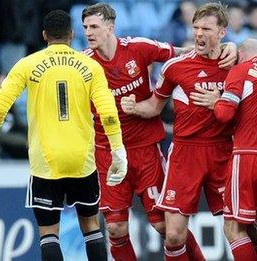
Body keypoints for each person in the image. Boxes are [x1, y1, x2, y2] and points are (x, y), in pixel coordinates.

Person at [81, 2, 236, 260]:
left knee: (165, 226)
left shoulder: (139, 48)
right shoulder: (84, 65)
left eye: (94, 26)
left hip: (146, 150)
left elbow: (182, 51)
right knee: (116, 228)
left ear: (110, 28)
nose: (88, 32)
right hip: (109, 152)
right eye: (85, 27)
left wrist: (228, 48)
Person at [0, 10, 127, 261]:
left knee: (48, 233)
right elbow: (108, 112)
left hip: (46, 162)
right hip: (82, 161)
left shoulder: (27, 64)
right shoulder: (91, 66)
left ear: (44, 35)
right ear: (72, 34)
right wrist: (118, 150)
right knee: (91, 227)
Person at [191, 38, 257, 260]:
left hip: (249, 156)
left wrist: (216, 101)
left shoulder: (240, 71)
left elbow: (225, 114)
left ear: (241, 55)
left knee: (234, 228)